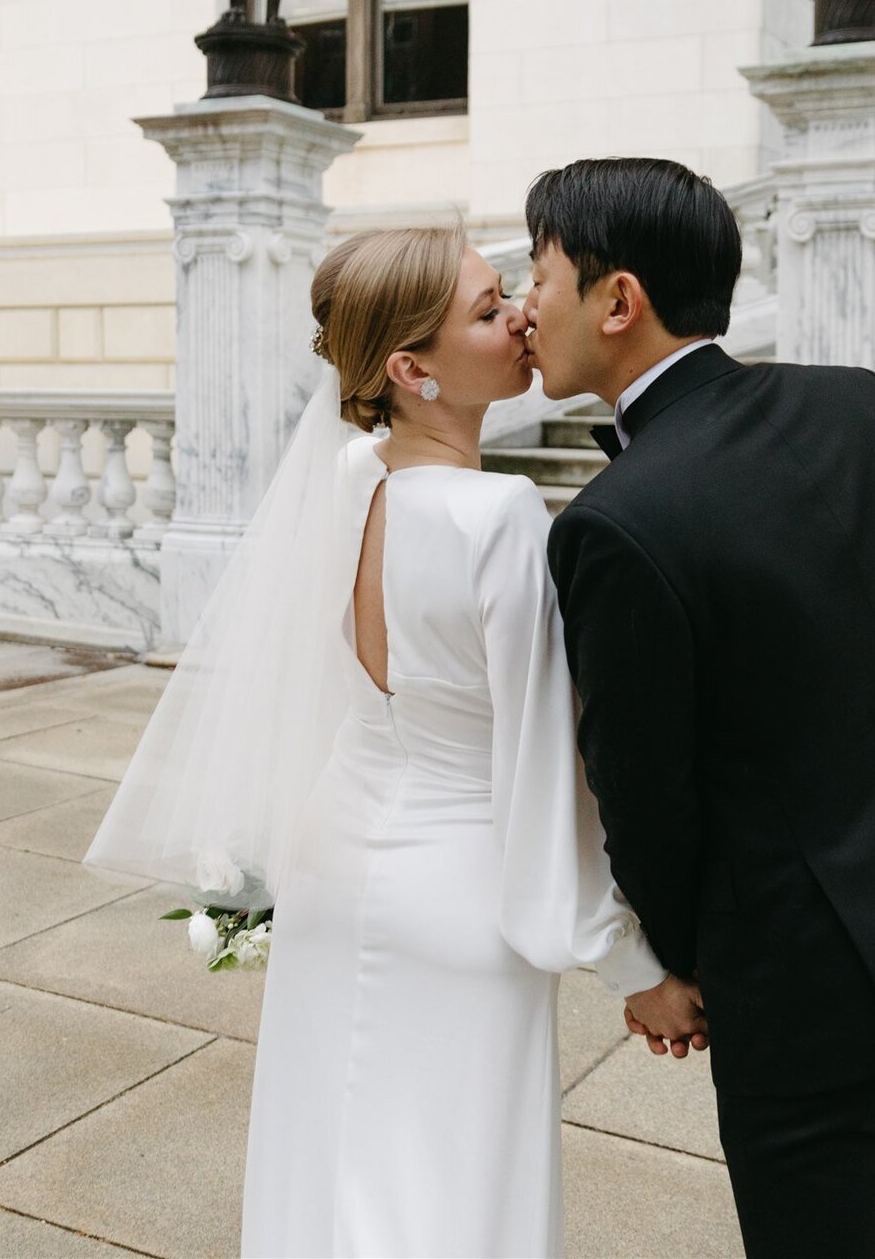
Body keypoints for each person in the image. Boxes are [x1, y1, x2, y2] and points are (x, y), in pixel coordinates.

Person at [84, 225, 678, 1259]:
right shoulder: (498, 518)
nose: (522, 320)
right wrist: (633, 962)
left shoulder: (348, 480)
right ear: (412, 369)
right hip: (458, 899)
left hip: (337, 869)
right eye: (490, 311)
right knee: (449, 1191)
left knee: (333, 1164)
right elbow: (544, 776)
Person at [523, 156, 875, 1259]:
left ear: (617, 300)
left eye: (538, 276)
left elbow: (646, 790)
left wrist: (678, 962)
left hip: (807, 986)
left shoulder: (615, 522)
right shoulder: (860, 402)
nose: (525, 306)